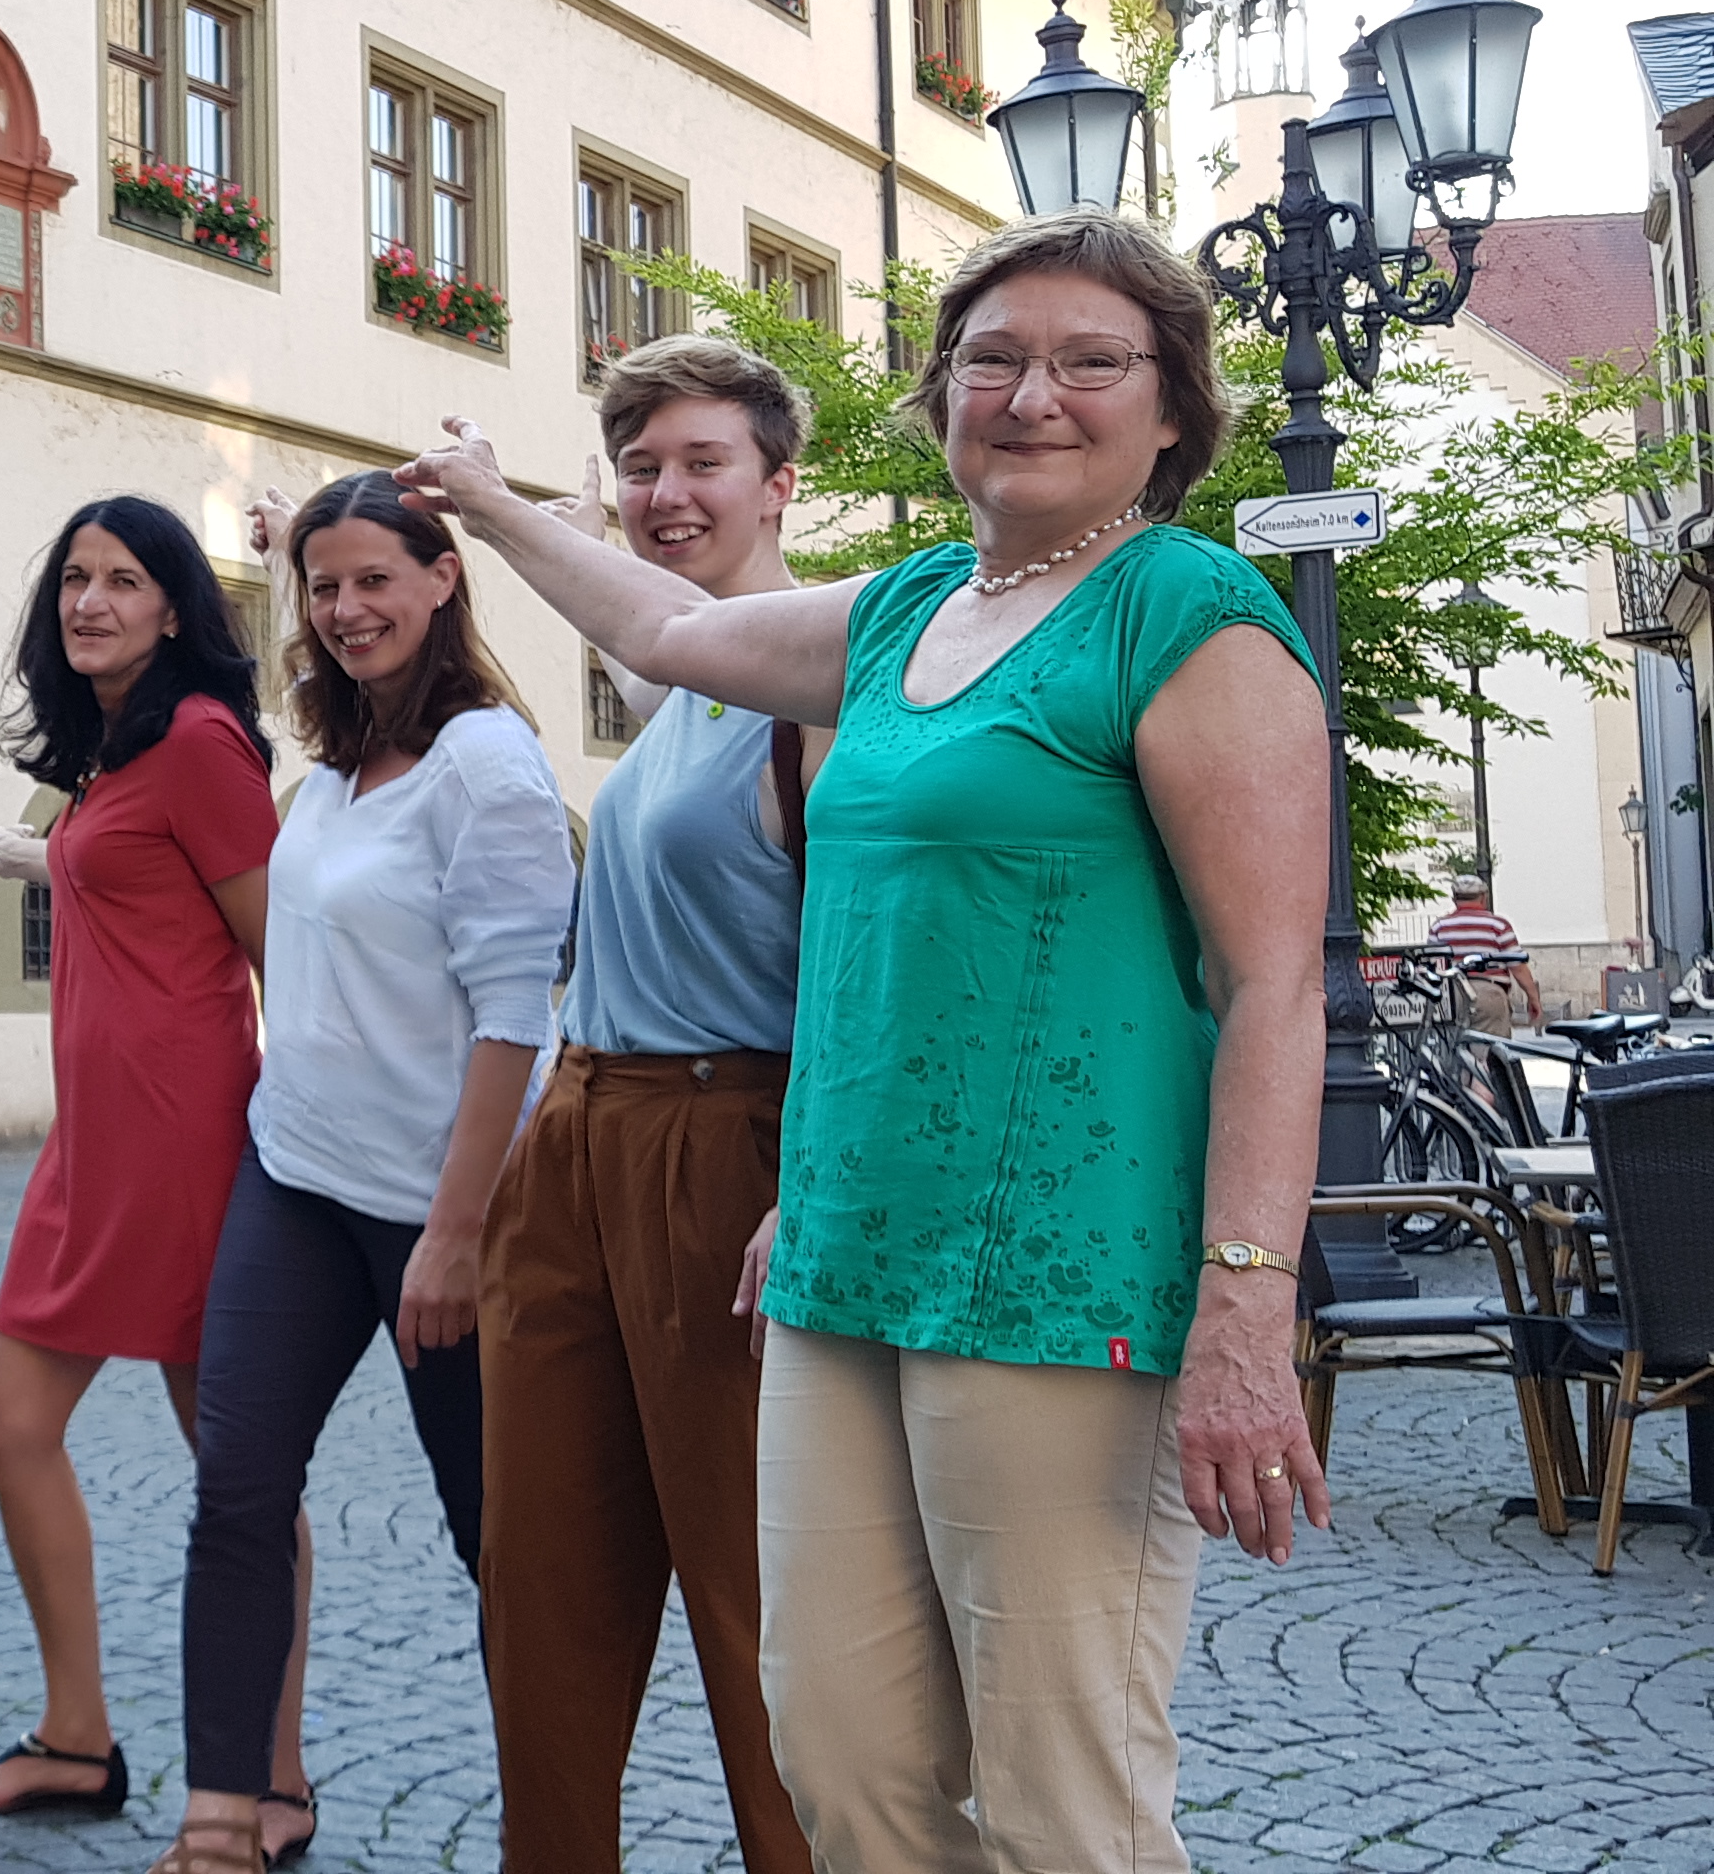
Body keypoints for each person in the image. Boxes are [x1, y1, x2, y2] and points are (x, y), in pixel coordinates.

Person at [396, 206, 1332, 1870]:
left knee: (1062, 1792)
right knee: (842, 1766)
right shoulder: (906, 611)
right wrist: (488, 504)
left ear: (1171, 410)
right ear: (940, 395)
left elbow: (1274, 984)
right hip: (839, 1266)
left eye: (1087, 361)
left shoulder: (1189, 616)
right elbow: (664, 632)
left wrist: (1246, 1310)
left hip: (1055, 1274)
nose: (1031, 393)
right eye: (991, 359)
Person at [151, 474, 558, 1874]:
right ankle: (222, 1816)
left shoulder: (486, 764)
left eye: (375, 578)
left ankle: (552, 1830)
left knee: (498, 1533)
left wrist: (455, 1236)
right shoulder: (333, 764)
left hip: (443, 1210)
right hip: (298, 1177)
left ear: (444, 578)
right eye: (325, 587)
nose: (346, 609)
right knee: (238, 1490)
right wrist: (280, 550)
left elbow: (515, 1013)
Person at [462, 337, 821, 1874]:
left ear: (780, 484)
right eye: (641, 467)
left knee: (758, 1599)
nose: (664, 494)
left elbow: (859, 969)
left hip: (723, 1139)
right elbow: (619, 597)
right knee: (539, 1584)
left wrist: (811, 1180)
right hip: (581, 1132)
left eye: (702, 464)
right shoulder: (676, 679)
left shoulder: (815, 677)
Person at [0, 497, 300, 1853]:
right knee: (8, 1416)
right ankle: (78, 1738)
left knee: (238, 1468)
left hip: (187, 1144)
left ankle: (275, 1778)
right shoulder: (118, 750)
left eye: (125, 580)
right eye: (75, 581)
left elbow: (281, 949)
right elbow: (132, 891)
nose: (90, 602)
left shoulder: (203, 741)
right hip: (95, 1145)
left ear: (174, 608)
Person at [1426, 875, 1541, 1030]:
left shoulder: (1439, 927)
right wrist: (1533, 998)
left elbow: (1433, 964)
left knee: (1453, 1045)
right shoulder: (1498, 925)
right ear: (1483, 898)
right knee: (1492, 1046)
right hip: (1488, 993)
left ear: (1454, 899)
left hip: (1451, 995)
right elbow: (1518, 967)